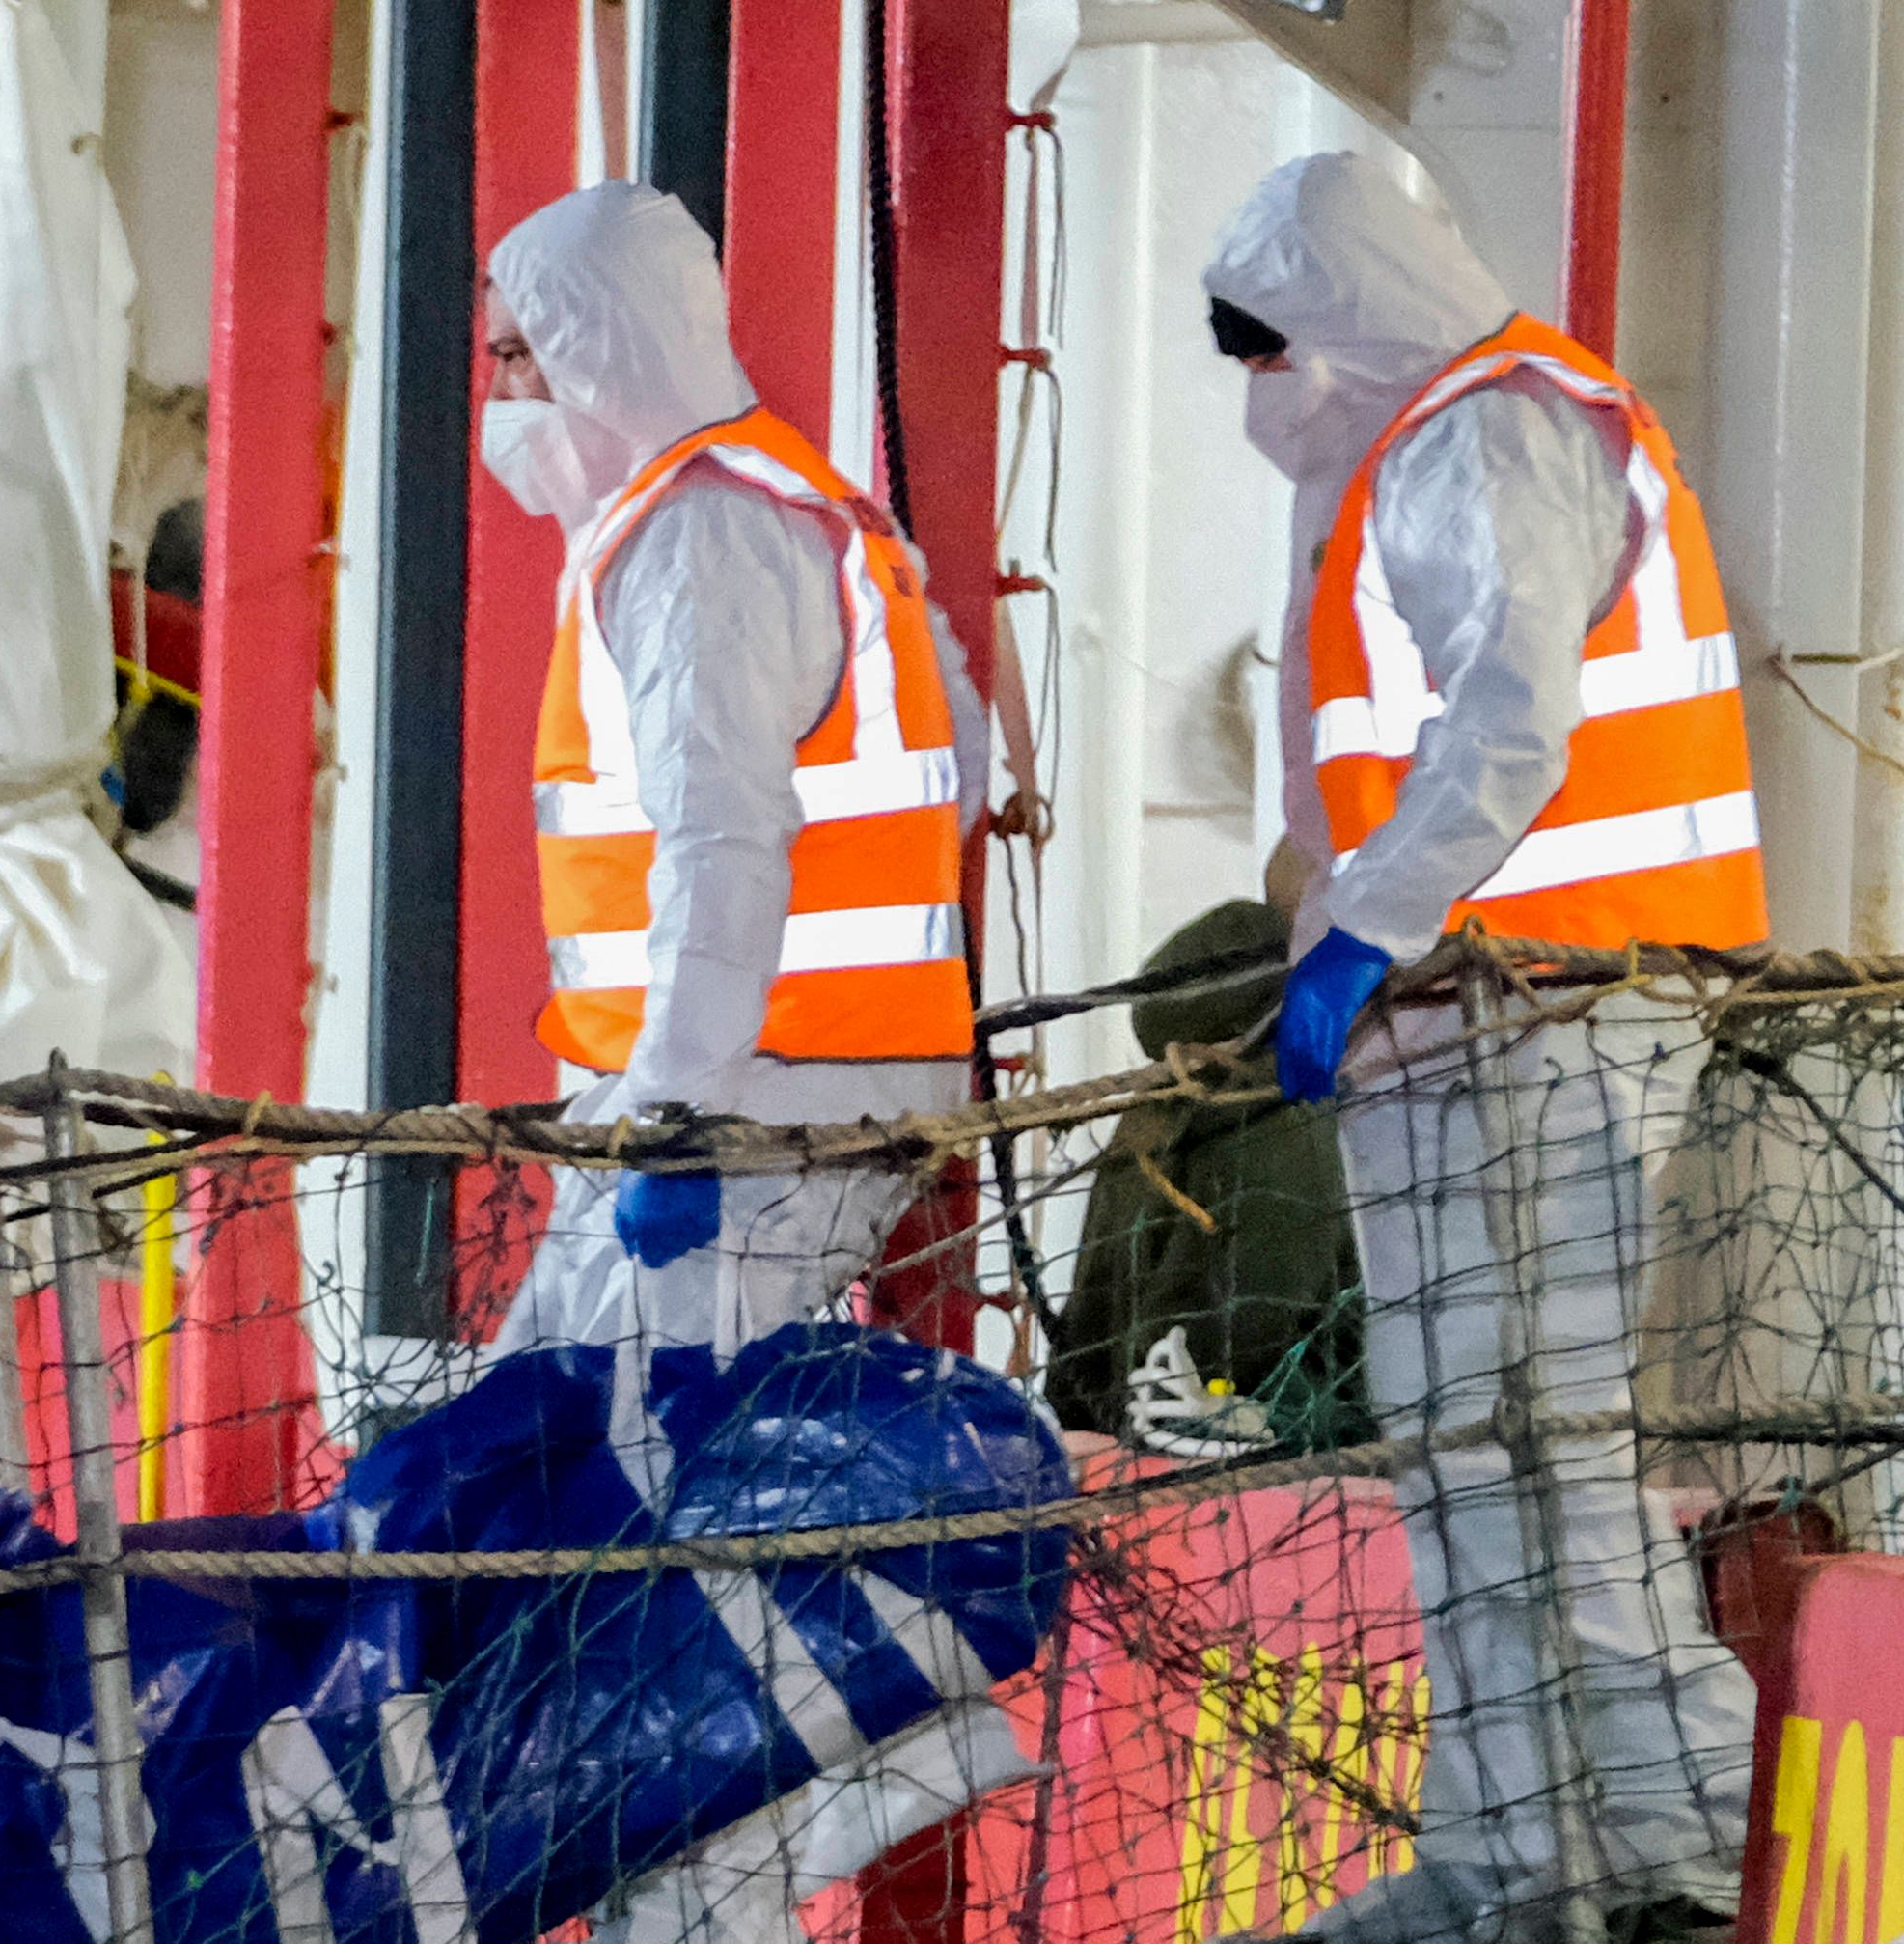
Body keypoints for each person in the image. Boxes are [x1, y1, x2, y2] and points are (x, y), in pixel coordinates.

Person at [1199, 154, 1764, 1944]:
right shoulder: (1428, 444)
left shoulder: (1488, 434)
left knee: (1542, 1437)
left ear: (1339, 320)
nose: (1258, 390)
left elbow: (1515, 721)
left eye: (1265, 349)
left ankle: (1681, 1832)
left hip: (1547, 1009)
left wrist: (1365, 926)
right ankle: (1512, 1848)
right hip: (1473, 1015)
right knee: (1473, 1446)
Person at [476, 182, 992, 1358]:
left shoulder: (697, 537)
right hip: (755, 1076)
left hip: (755, 1094)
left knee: (622, 1431)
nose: (500, 397)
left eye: (516, 356)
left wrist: (679, 1117)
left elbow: (720, 842)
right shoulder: (786, 499)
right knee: (542, 1408)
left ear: (598, 343)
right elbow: (953, 764)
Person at [1044, 896, 1366, 1463]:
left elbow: (1085, 1324)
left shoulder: (1144, 1117)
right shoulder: (1279, 1107)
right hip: (1259, 1450)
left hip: (1120, 1447)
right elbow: (1258, 1300)